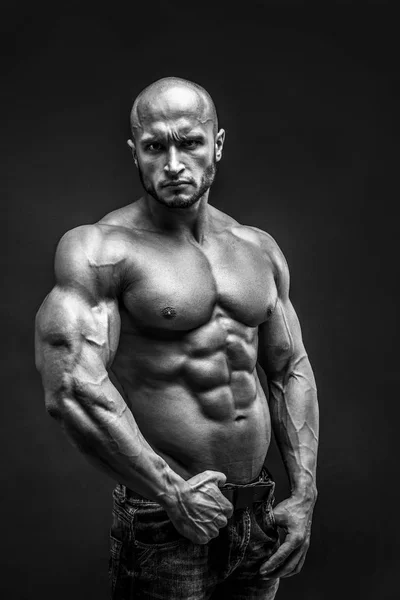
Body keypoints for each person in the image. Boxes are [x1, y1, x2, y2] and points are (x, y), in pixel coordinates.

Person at [35, 76, 319, 599]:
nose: (172, 163)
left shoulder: (257, 248)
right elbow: (72, 388)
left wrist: (304, 495)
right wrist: (171, 492)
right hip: (166, 519)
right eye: (154, 146)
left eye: (188, 142)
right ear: (134, 152)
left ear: (217, 144)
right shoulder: (101, 249)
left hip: (259, 515)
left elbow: (289, 369)